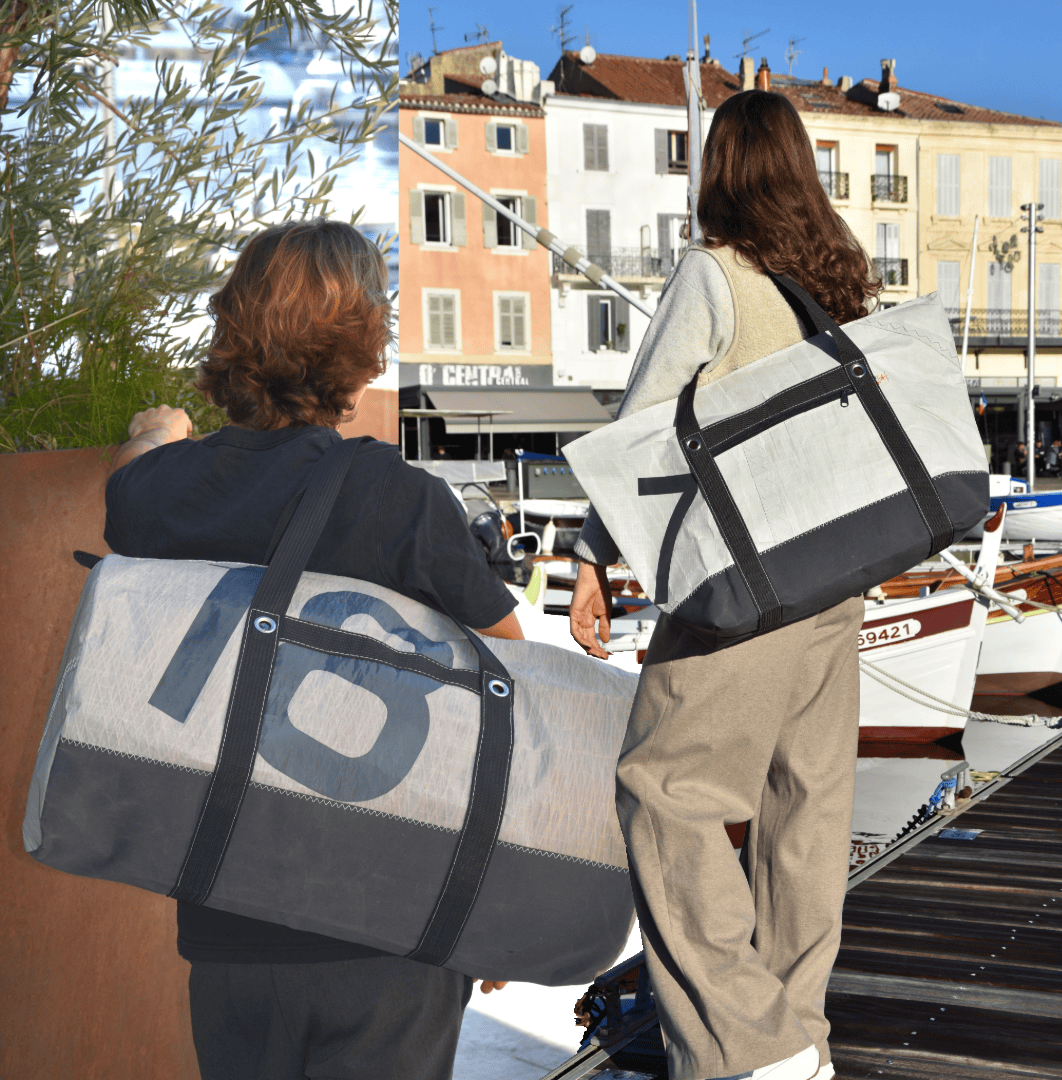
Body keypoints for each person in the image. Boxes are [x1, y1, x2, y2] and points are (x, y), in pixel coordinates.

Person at [106, 219, 520, 1080]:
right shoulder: (400, 500)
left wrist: (157, 436)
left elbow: (134, 476)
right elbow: (521, 689)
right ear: (365, 352)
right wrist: (492, 905)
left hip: (225, 921)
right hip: (389, 924)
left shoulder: (155, 495)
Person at [569, 91, 882, 1080]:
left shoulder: (716, 277)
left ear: (721, 172)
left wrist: (591, 558)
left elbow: (643, 435)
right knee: (806, 818)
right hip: (837, 584)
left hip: (743, 585)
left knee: (663, 792)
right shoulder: (840, 287)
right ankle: (796, 1038)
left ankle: (759, 1046)